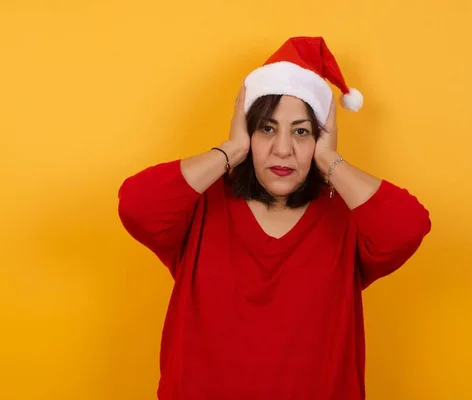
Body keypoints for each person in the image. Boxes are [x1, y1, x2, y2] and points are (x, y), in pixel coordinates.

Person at [117, 36, 431, 400]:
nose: (283, 149)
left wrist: (330, 160)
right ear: (246, 130)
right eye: (266, 128)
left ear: (320, 138)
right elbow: (137, 205)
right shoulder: (201, 207)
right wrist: (231, 150)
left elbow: (409, 226)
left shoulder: (345, 216)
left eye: (301, 131)